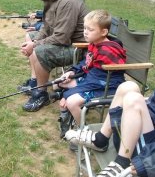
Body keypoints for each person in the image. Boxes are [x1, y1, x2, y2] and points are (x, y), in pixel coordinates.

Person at [19, 0, 88, 112]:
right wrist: (33, 41)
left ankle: (41, 94)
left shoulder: (67, 1)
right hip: (66, 42)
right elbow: (46, 26)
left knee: (39, 51)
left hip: (78, 49)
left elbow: (62, 38)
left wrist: (35, 45)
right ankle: (34, 83)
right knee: (30, 37)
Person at [53, 9, 126, 138]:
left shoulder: (107, 51)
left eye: (90, 29)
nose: (85, 32)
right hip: (92, 79)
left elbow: (99, 79)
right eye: (85, 28)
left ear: (104, 32)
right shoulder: (94, 43)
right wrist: (72, 72)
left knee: (71, 101)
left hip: (108, 86)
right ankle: (68, 117)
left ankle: (83, 132)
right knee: (57, 83)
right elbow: (86, 63)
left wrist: (69, 93)